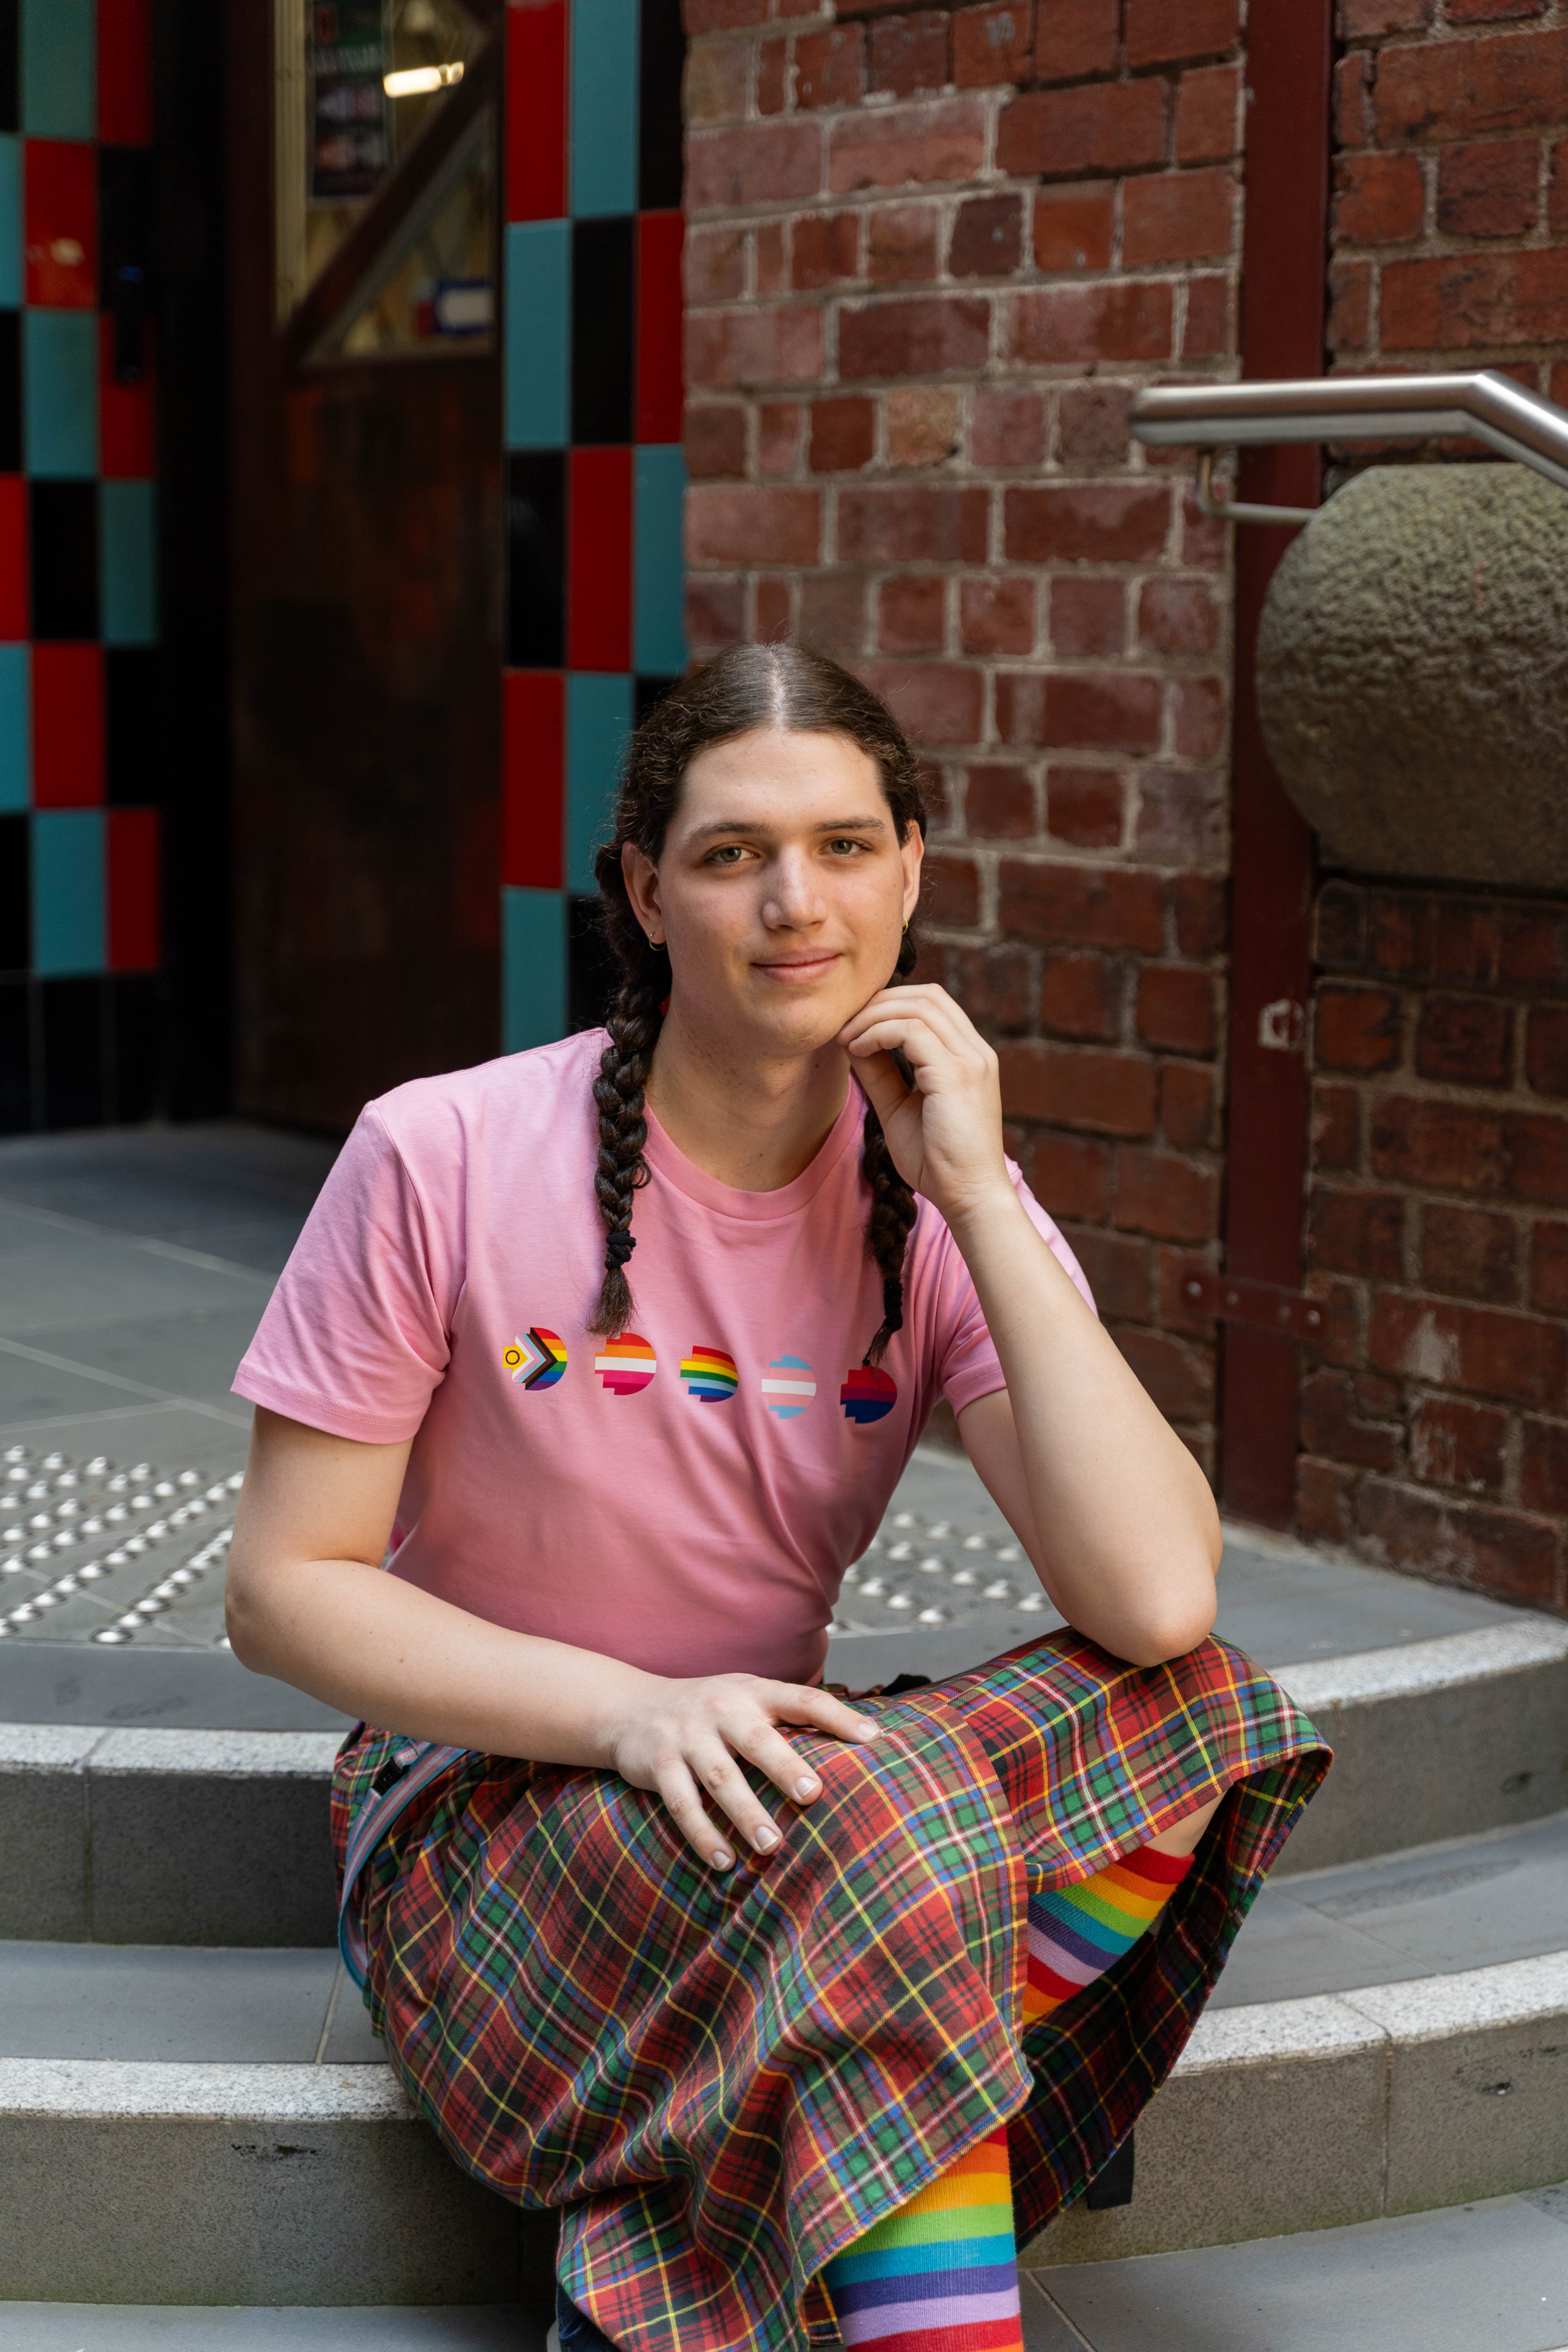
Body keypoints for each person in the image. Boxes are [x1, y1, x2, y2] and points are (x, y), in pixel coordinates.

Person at [226, 642, 1328, 2352]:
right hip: (481, 1810)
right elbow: (282, 1587)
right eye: (734, 853)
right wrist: (630, 1711)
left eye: (840, 846)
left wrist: (968, 1186)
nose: (792, 901)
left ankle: (758, 2167)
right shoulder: (434, 1150)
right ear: (645, 892)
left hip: (775, 1821)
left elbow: (1155, 1602)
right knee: (890, 1836)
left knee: (1207, 1711)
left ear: (908, 875)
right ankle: (860, 2195)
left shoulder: (935, 1194)